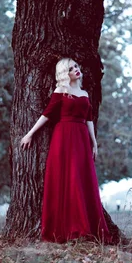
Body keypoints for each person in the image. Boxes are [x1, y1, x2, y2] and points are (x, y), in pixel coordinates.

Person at [20, 58, 112, 243]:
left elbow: (89, 119)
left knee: (81, 179)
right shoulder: (61, 91)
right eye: (70, 69)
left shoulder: (84, 94)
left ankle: (86, 228)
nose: (76, 70)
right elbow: (47, 114)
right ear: (64, 74)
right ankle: (66, 230)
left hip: (81, 139)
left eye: (76, 66)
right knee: (66, 180)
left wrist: (94, 143)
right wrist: (29, 134)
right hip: (63, 138)